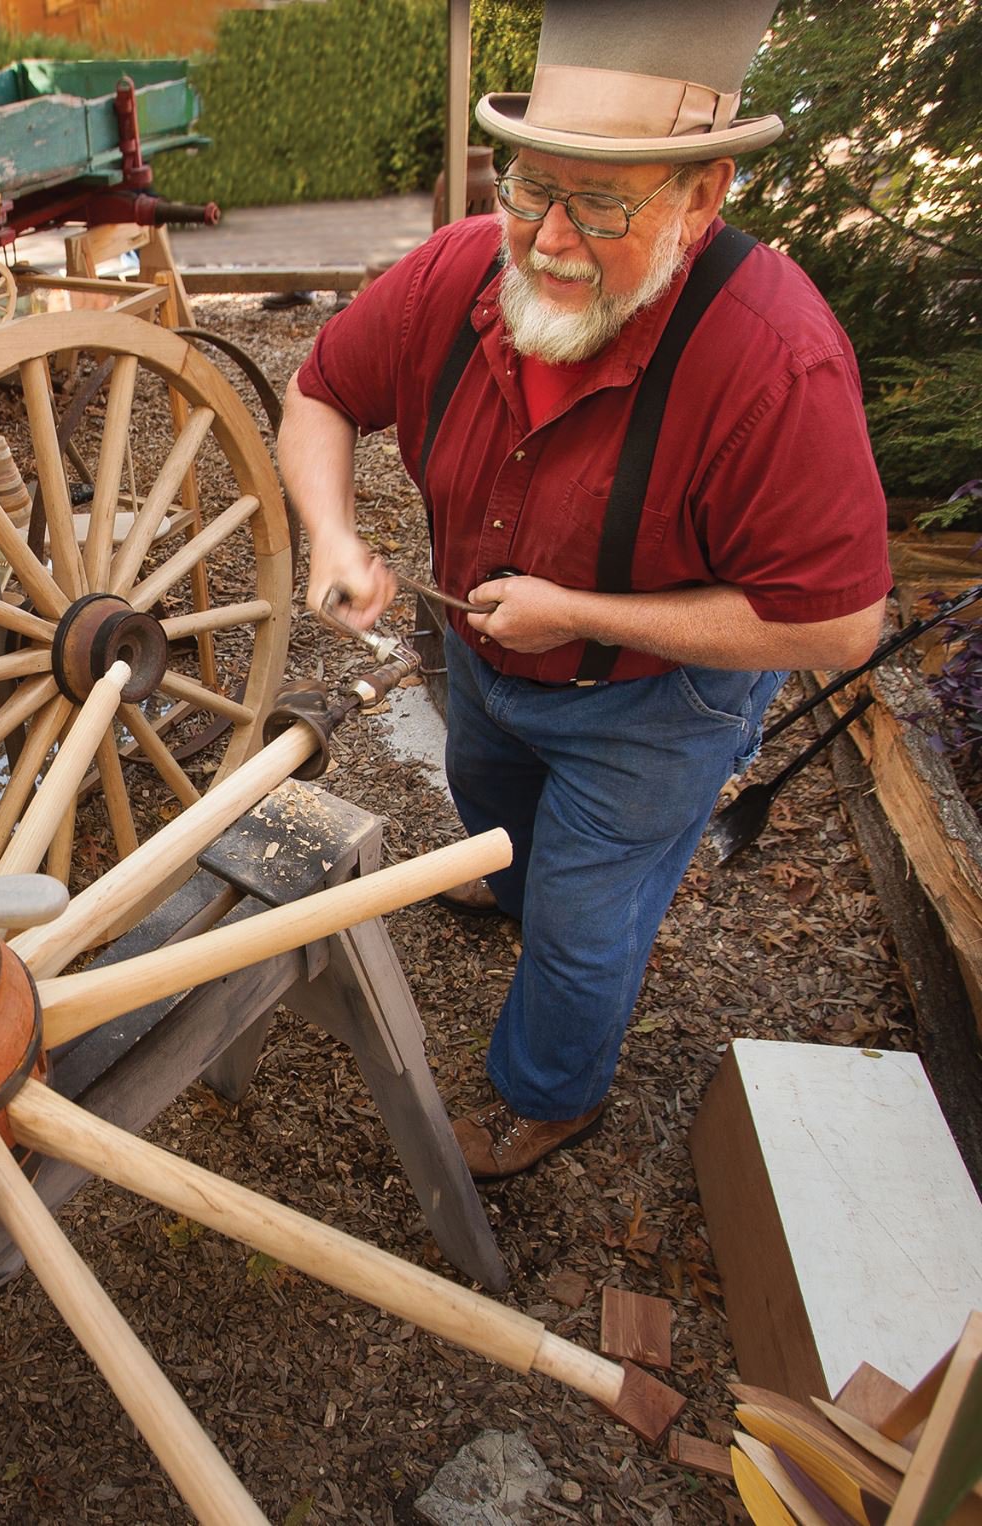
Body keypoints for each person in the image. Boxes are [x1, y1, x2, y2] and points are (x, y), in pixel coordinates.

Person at [276, 0, 889, 1179]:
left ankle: (547, 1095)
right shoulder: (458, 270)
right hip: (486, 661)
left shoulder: (775, 359)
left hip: (654, 702)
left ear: (701, 198)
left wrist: (582, 613)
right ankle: (507, 887)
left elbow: (837, 621)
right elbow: (319, 390)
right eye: (527, 188)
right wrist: (331, 537)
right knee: (488, 799)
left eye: (599, 204)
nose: (547, 238)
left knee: (581, 923)